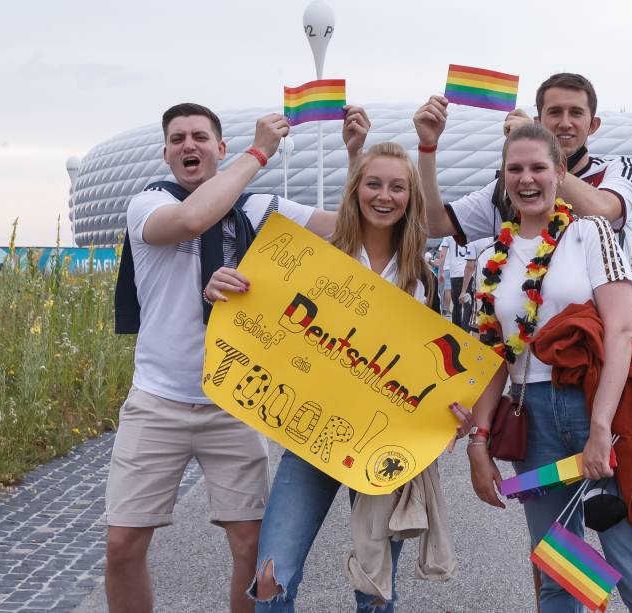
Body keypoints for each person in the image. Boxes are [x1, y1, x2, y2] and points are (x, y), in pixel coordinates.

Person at [107, 103, 338, 613]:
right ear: (166, 153)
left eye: (200, 137)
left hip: (234, 400)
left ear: (220, 149)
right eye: (178, 138)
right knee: (122, 544)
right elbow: (193, 219)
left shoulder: (258, 209)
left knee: (249, 544)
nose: (189, 145)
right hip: (158, 399)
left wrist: (359, 152)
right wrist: (261, 152)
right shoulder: (147, 203)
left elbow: (346, 227)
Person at [207, 141, 445, 612]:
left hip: (381, 445)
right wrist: (220, 287)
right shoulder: (315, 256)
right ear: (356, 190)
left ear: (410, 197)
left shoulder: (422, 278)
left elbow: (431, 372)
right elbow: (266, 315)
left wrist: (449, 409)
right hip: (312, 435)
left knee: (374, 589)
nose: (384, 195)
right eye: (374, 183)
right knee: (270, 577)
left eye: (397, 187)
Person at [463, 123, 632, 612]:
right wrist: (479, 442)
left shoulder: (590, 232)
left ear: (560, 173)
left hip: (590, 405)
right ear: (502, 176)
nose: (527, 179)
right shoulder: (492, 254)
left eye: (539, 167)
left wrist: (601, 427)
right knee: (562, 578)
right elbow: (496, 354)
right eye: (515, 169)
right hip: (530, 417)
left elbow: (621, 331)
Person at [414, 73, 632, 257]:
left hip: (597, 314)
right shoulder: (507, 189)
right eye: (554, 112)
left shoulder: (618, 169)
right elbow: (435, 224)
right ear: (538, 122)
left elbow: (603, 211)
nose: (565, 123)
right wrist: (427, 146)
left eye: (576, 113)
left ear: (593, 125)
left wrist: (541, 151)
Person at [436, 235, 476, 330]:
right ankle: (466, 330)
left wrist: (440, 272)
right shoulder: (470, 232)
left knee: (456, 305)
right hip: (469, 273)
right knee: (468, 304)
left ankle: (456, 330)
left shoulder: (449, 235)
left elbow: (442, 254)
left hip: (455, 274)